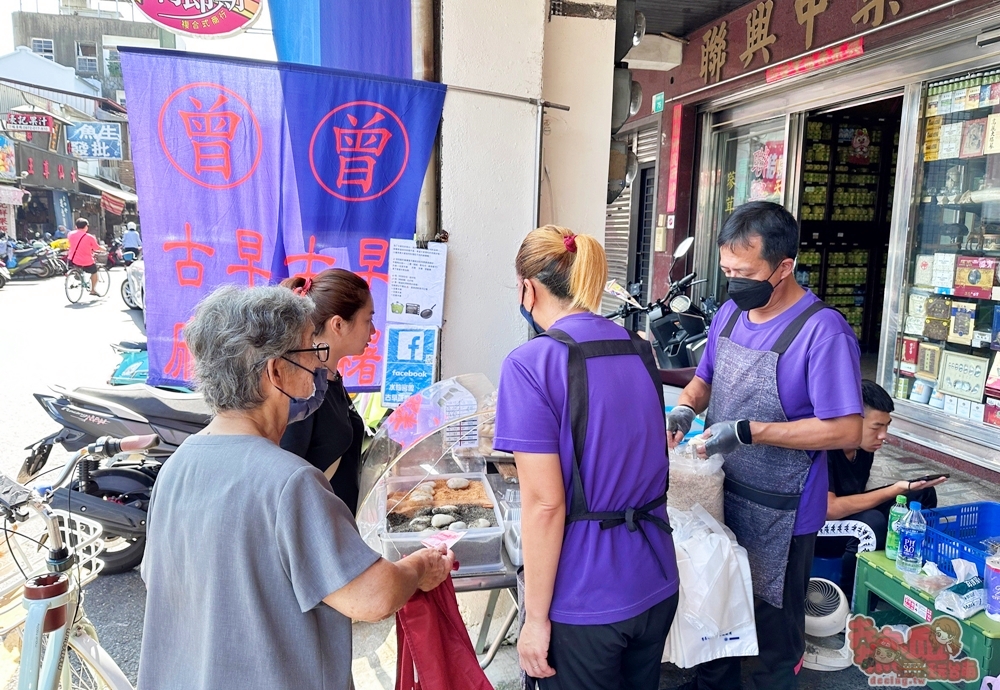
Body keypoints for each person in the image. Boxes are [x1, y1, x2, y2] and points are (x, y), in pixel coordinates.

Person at [138, 285, 454, 690]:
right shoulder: (292, 483)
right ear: (275, 371)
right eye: (310, 352)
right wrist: (419, 566)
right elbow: (372, 597)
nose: (318, 365)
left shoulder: (176, 467)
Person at [667, 201, 863, 690]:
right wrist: (686, 407)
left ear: (784, 266)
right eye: (727, 271)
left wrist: (751, 430)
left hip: (783, 510)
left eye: (745, 272)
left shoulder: (822, 331)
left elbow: (845, 429)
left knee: (769, 637)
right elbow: (706, 377)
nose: (734, 283)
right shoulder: (732, 313)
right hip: (719, 494)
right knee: (716, 615)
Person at [494, 225, 679, 690]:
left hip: (585, 598)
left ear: (527, 288)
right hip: (655, 578)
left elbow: (544, 504)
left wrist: (534, 621)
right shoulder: (639, 351)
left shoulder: (530, 364)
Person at [818, 379, 946, 595]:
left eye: (887, 426)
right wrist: (895, 489)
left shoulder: (864, 449)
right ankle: (853, 603)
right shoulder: (824, 449)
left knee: (920, 493)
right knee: (870, 524)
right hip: (816, 531)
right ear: (850, 420)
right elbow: (829, 509)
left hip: (847, 519)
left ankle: (907, 569)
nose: (883, 436)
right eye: (876, 427)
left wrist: (905, 489)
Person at [279, 269, 375, 513]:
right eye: (368, 320)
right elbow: (285, 481)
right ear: (339, 324)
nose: (373, 331)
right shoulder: (304, 391)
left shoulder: (329, 377)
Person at [67, 218, 101, 295]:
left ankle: (77, 275)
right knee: (94, 272)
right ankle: (93, 290)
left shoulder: (70, 234)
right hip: (86, 261)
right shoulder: (90, 237)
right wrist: (104, 249)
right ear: (86, 227)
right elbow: (96, 247)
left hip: (72, 259)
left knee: (77, 267)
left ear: (76, 226)